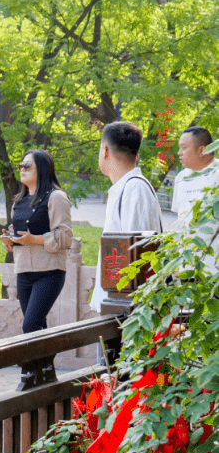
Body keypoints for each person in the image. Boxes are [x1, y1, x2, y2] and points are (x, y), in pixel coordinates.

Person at [90, 121, 163, 313]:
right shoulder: (125, 188)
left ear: (105, 151)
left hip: (126, 311)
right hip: (116, 304)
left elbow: (136, 258)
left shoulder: (134, 189)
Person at [0, 150, 73, 333]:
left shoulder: (56, 197)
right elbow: (17, 233)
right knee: (38, 327)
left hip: (49, 272)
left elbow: (65, 238)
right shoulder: (19, 200)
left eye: (27, 166)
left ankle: (31, 363)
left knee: (30, 325)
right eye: (20, 166)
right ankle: (46, 362)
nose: (22, 169)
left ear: (41, 169)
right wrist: (9, 241)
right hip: (23, 271)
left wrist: (33, 239)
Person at [172, 126, 219, 226]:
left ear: (202, 150)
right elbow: (179, 217)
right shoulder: (181, 178)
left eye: (184, 148)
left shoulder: (217, 172)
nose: (179, 153)